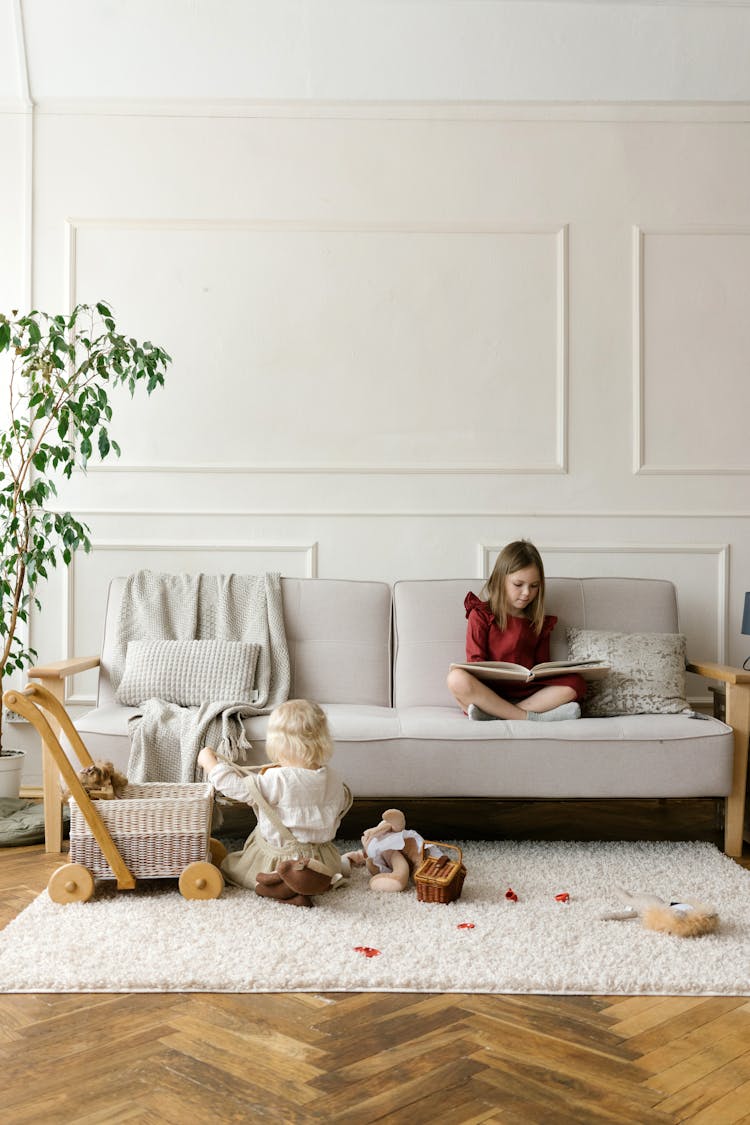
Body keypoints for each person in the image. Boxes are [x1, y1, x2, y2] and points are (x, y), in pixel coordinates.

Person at [197, 698, 352, 900]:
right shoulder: (333, 777)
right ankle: (308, 883)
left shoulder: (278, 779)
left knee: (230, 866)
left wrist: (211, 765)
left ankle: (285, 884)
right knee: (317, 864)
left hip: (279, 859)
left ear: (280, 744)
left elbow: (237, 788)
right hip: (322, 859)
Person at [446, 539, 585, 722]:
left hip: (527, 694)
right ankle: (528, 717)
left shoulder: (538, 622)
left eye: (534, 586)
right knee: (456, 679)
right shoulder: (481, 615)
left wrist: (541, 674)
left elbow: (542, 667)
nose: (527, 593)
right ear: (500, 580)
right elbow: (475, 663)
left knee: (577, 683)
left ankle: (498, 715)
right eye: (518, 585)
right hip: (489, 691)